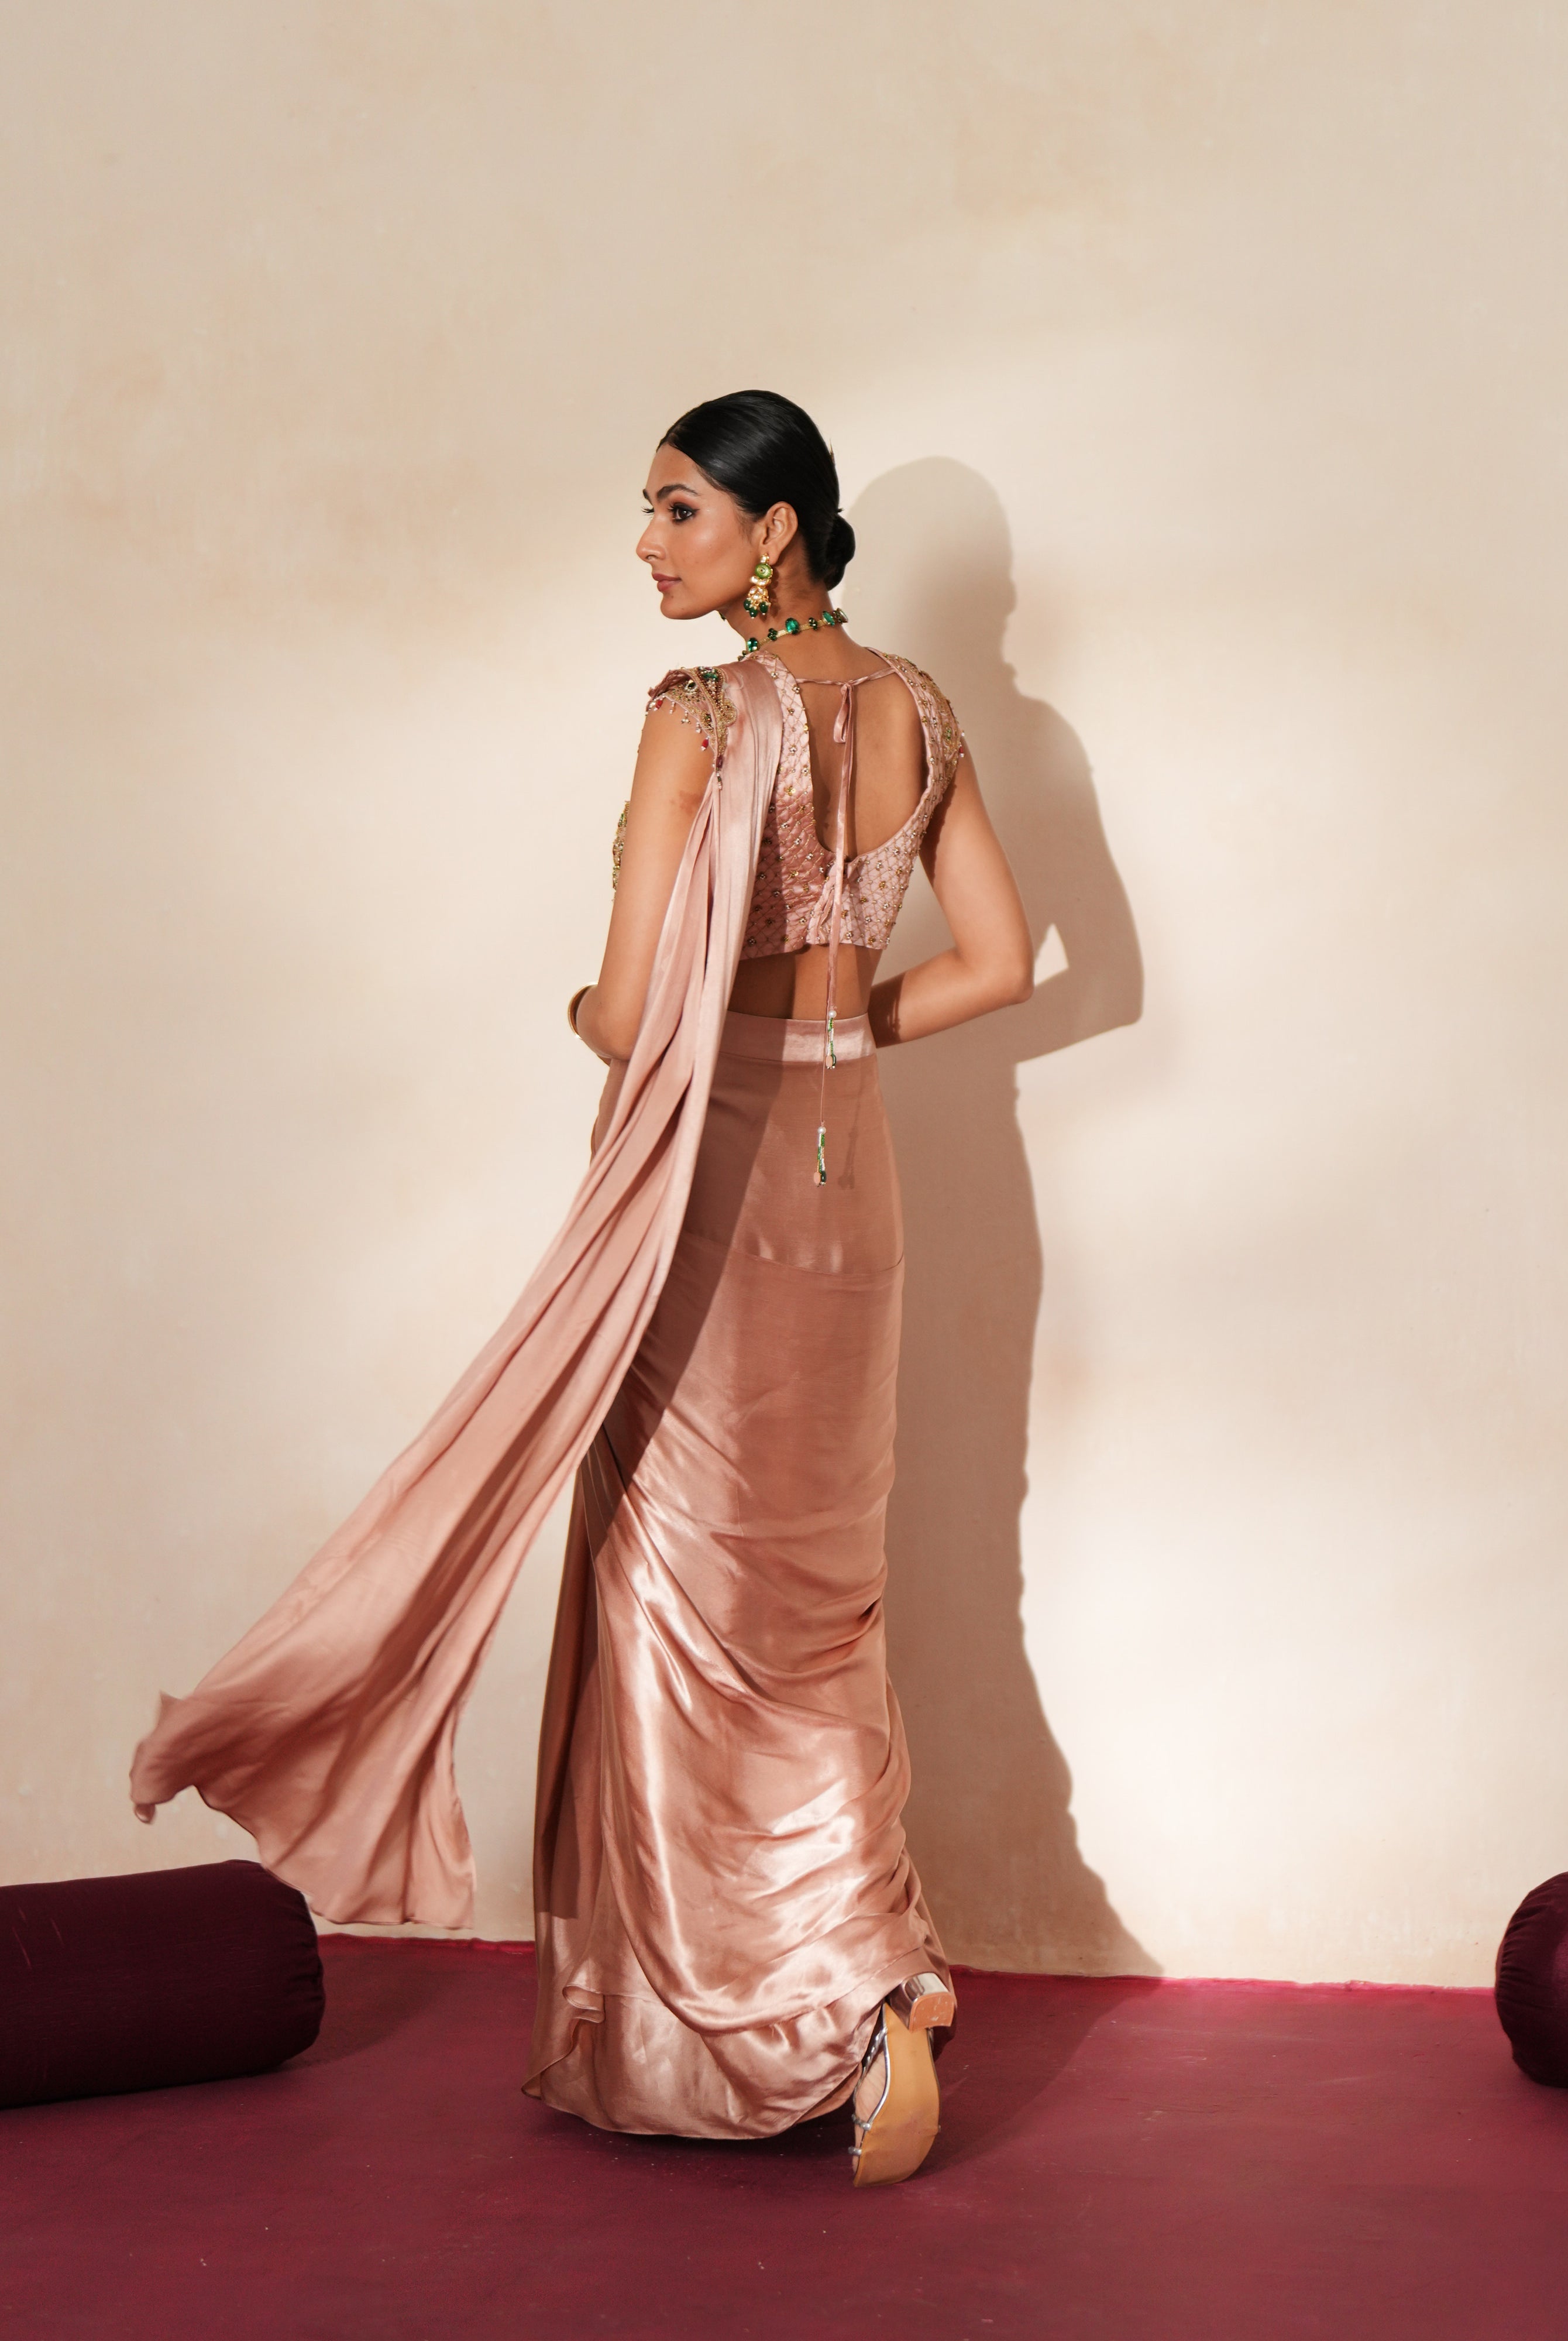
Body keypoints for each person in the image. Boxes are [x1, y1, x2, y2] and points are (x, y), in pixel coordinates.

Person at [130, 391, 1034, 2186]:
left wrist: (595, 1018)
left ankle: (769, 2015)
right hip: (860, 1204)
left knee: (676, 1597)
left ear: (771, 528)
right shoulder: (924, 713)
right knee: (817, 1602)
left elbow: (629, 1023)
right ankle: (872, 1969)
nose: (647, 543)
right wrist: (842, 1023)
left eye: (678, 509)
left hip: (710, 1194)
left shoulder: (700, 714)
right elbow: (1003, 964)